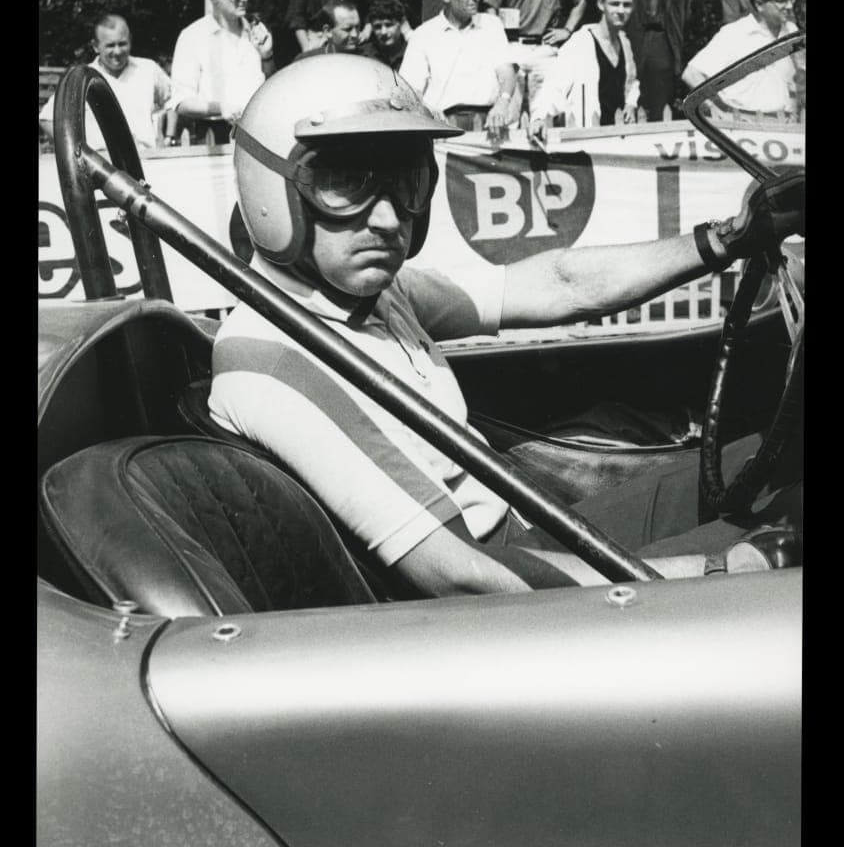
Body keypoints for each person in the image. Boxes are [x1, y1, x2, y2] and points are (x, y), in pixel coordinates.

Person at [208, 54, 803, 599]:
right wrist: (725, 571)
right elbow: (460, 575)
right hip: (506, 609)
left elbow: (560, 285)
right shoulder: (273, 358)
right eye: (344, 185)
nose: (388, 218)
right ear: (273, 194)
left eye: (404, 182)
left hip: (527, 539)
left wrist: (723, 239)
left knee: (782, 463)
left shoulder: (379, 297)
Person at [398, 0, 518, 138]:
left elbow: (506, 70)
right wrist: (427, 112)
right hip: (443, 129)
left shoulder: (492, 26)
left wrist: (503, 102)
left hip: (489, 125)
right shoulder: (423, 35)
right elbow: (410, 91)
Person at [170, 0, 275, 142]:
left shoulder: (257, 32)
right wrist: (220, 108)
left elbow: (272, 88)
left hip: (259, 132)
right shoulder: (193, 37)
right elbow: (181, 103)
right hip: (213, 135)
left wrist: (267, 56)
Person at [529, 0, 640, 137]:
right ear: (601, 4)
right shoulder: (580, 43)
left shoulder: (625, 43)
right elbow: (554, 85)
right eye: (614, 4)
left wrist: (631, 104)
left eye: (627, 5)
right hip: (588, 140)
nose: (621, 10)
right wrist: (539, 117)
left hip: (617, 139)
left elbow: (631, 84)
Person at [40, 13, 173, 150]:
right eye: (110, 45)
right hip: (102, 163)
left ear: (130, 40)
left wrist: (170, 137)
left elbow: (173, 100)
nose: (117, 51)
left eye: (122, 44)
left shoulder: (148, 69)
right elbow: (47, 119)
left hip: (147, 158)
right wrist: (76, 151)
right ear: (96, 46)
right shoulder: (82, 78)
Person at [682, 0, 800, 118]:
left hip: (783, 123)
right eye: (782, 1)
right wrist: (715, 109)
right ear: (759, 4)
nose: (790, 6)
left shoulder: (792, 31)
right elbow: (691, 74)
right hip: (742, 125)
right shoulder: (735, 34)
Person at [294, 2, 364, 59]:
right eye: (348, 29)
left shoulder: (367, 60)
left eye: (357, 27)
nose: (355, 34)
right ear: (328, 31)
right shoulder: (308, 60)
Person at [360, 0, 408, 70]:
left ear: (401, 23)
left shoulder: (412, 51)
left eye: (389, 25)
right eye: (377, 27)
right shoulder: (364, 55)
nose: (383, 32)